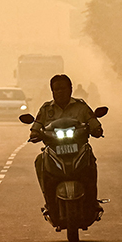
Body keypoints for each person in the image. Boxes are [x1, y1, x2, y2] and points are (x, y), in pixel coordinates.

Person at [29, 74, 103, 221]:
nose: (60, 92)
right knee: (39, 161)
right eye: (56, 89)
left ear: (70, 89)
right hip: (54, 151)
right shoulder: (46, 109)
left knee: (90, 160)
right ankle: (49, 202)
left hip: (79, 150)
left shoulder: (81, 107)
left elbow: (94, 123)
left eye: (63, 88)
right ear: (52, 92)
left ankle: (92, 202)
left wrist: (96, 130)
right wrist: (35, 134)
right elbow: (35, 127)